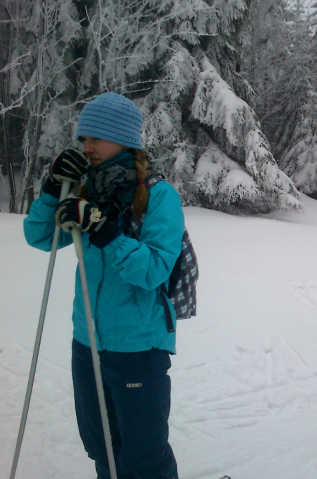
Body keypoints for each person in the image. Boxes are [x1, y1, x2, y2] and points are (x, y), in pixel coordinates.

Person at [24, 92, 183, 478]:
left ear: (123, 140)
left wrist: (102, 228)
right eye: (83, 138)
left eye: (96, 137)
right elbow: (40, 236)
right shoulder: (86, 190)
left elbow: (154, 269)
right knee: (103, 449)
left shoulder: (159, 196)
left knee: (143, 458)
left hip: (138, 348)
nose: (87, 146)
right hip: (88, 342)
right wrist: (52, 188)